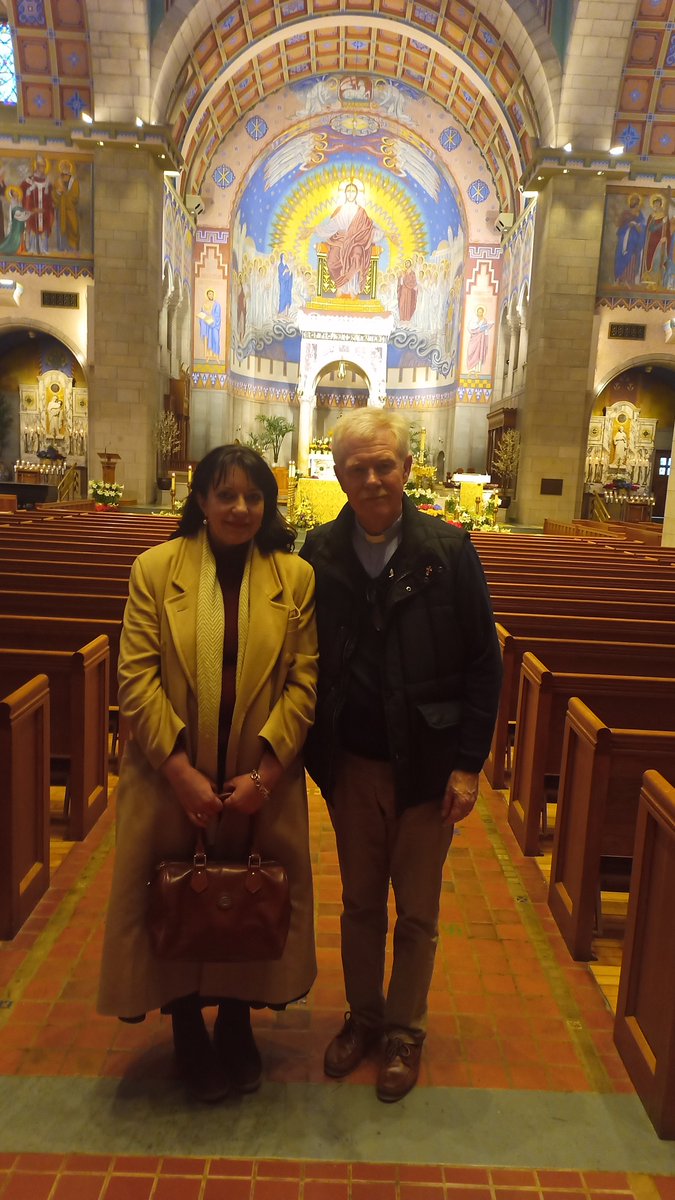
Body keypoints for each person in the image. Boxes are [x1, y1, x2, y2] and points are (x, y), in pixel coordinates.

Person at [98, 445, 318, 1103]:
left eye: (254, 496)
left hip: (256, 782)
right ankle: (187, 1025)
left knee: (245, 903)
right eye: (226, 495)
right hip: (174, 778)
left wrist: (268, 775)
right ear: (200, 500)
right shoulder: (154, 569)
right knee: (173, 895)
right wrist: (178, 770)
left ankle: (235, 1022)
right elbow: (135, 675)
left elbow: (305, 682)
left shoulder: (295, 576)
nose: (241, 508)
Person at [299, 408, 502, 1103]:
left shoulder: (447, 550)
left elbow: (483, 663)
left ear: (407, 469)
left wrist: (469, 765)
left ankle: (404, 1031)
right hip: (352, 764)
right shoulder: (318, 554)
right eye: (357, 466)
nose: (372, 478)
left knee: (415, 910)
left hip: (426, 766)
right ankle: (363, 1016)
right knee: (359, 903)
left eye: (384, 463)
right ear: (337, 473)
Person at [315, 181, 382, 297]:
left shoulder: (361, 211)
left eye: (353, 191)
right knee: (331, 261)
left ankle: (352, 289)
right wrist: (315, 229)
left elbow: (368, 227)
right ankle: (340, 285)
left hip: (356, 240)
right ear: (345, 193)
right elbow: (332, 226)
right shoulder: (340, 209)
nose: (351, 194)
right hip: (340, 239)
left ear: (357, 194)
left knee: (357, 255)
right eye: (348, 191)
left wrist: (385, 233)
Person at [198, 288, 222, 359]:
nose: (210, 295)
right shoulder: (204, 304)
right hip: (206, 324)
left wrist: (211, 318)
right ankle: (208, 355)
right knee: (208, 339)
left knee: (215, 339)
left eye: (212, 294)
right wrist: (203, 316)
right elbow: (202, 313)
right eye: (209, 294)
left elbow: (217, 315)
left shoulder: (216, 305)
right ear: (207, 295)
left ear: (213, 295)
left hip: (214, 325)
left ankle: (216, 356)